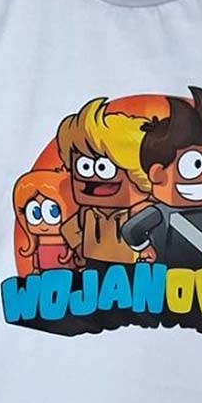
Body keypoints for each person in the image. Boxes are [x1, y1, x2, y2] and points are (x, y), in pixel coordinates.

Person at [122, 86, 202, 270]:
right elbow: (131, 230)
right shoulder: (160, 213)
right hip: (168, 275)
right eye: (193, 165)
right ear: (158, 174)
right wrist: (146, 249)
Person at [56, 98, 150, 275]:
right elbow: (70, 230)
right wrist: (78, 248)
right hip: (94, 264)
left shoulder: (139, 212)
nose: (93, 179)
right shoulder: (87, 213)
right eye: (84, 167)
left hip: (131, 267)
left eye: (104, 168)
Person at [12, 168, 76, 272]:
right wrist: (36, 271)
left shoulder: (69, 243)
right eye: (35, 214)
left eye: (53, 212)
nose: (43, 225)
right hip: (44, 276)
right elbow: (37, 261)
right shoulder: (38, 245)